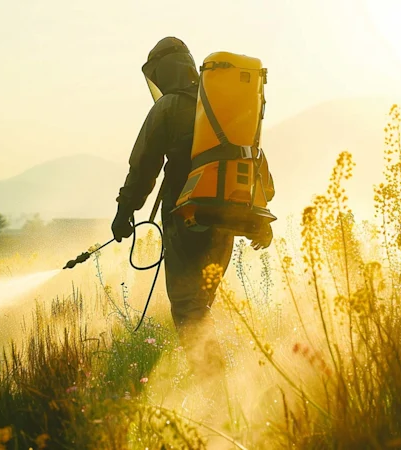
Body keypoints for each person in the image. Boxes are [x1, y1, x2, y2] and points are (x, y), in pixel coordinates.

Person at [111, 37, 272, 380]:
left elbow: (143, 165)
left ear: (163, 71)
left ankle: (214, 387)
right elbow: (257, 164)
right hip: (227, 221)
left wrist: (125, 211)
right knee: (201, 305)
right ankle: (216, 383)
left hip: (187, 219)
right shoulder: (222, 107)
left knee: (188, 309)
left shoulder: (169, 106)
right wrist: (258, 218)